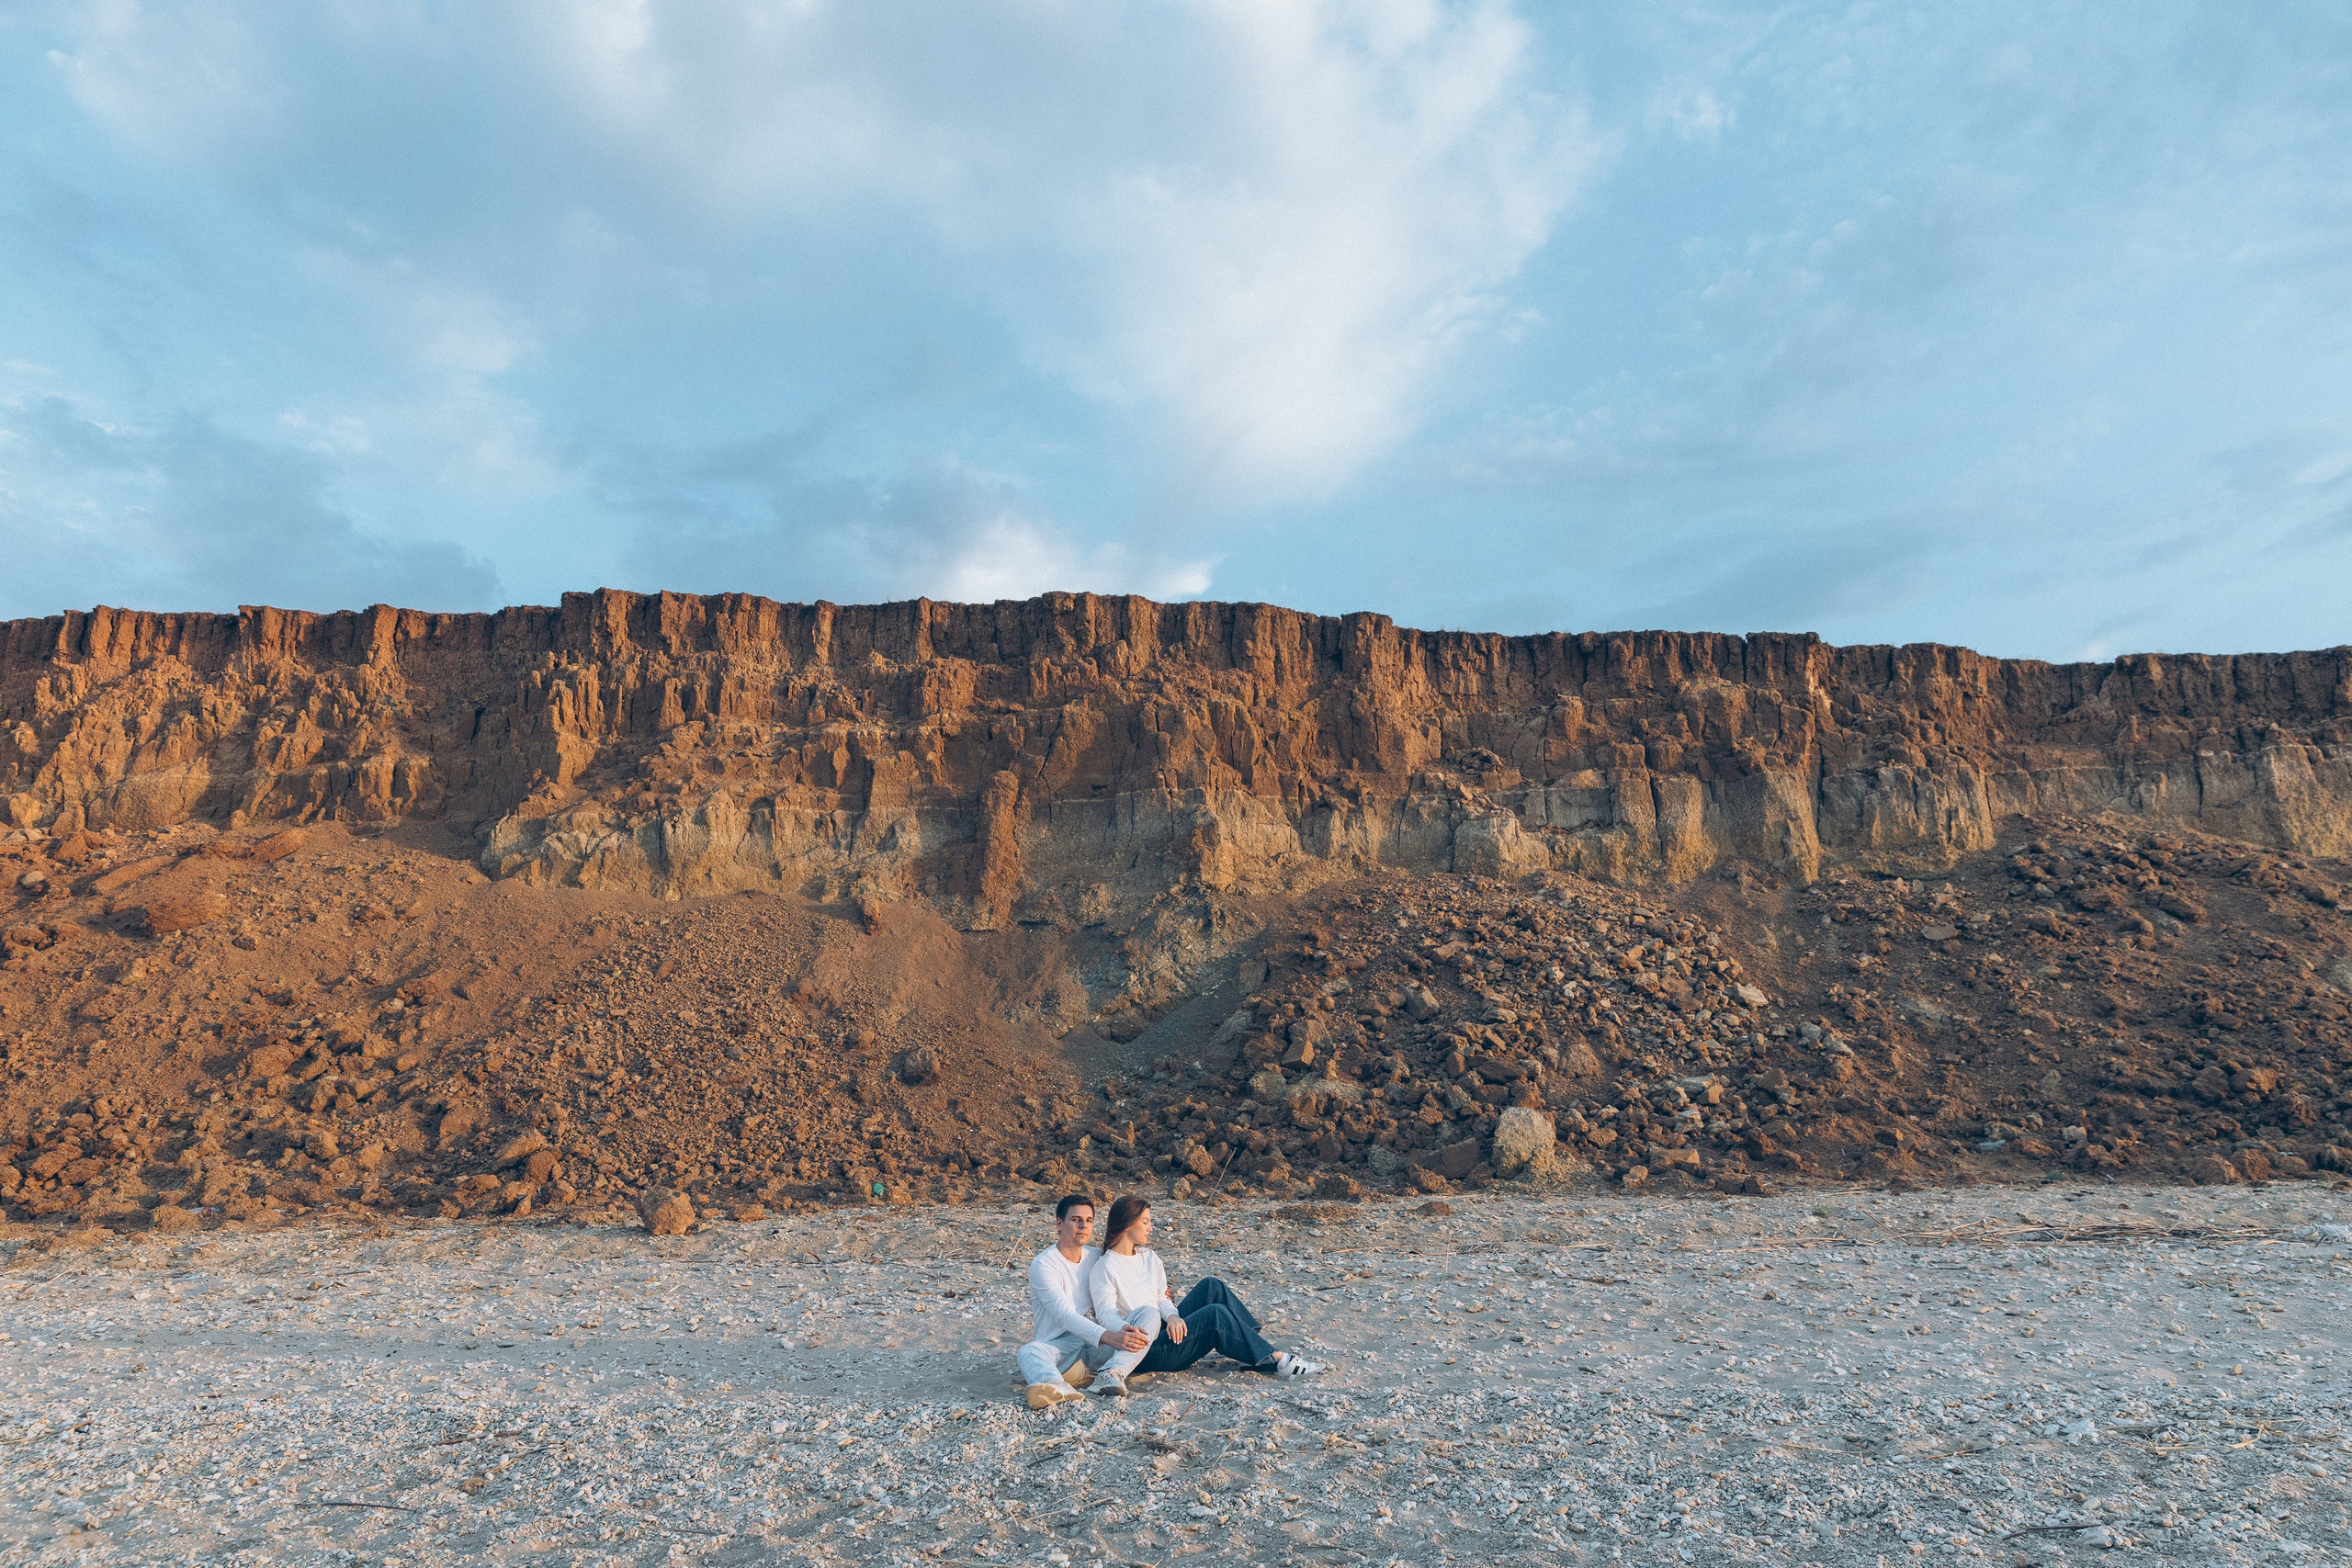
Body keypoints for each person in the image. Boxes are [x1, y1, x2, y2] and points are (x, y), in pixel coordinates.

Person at [1084, 1192, 1324, 1395]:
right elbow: (1106, 1315)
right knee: (1215, 1315)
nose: (1150, 1227)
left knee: (1211, 1286)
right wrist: (1129, 1332)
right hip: (1146, 1347)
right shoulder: (1104, 1268)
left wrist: (1174, 1317)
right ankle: (1275, 1360)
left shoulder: (1150, 1258)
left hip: (1166, 1329)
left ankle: (1251, 1345)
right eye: (1145, 1222)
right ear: (1128, 1224)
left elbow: (1160, 1298)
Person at [1016, 1194, 1153, 1409]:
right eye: (1076, 1219)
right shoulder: (1044, 1264)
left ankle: (1111, 1375)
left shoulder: (1096, 1256)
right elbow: (1064, 1315)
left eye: (1089, 1220)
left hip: (1100, 1349)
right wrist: (1109, 1337)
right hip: (1063, 1350)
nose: (1083, 1225)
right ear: (1059, 1224)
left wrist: (1160, 1291)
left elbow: (1127, 1274)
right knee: (1028, 1351)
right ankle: (1056, 1386)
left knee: (1149, 1313)